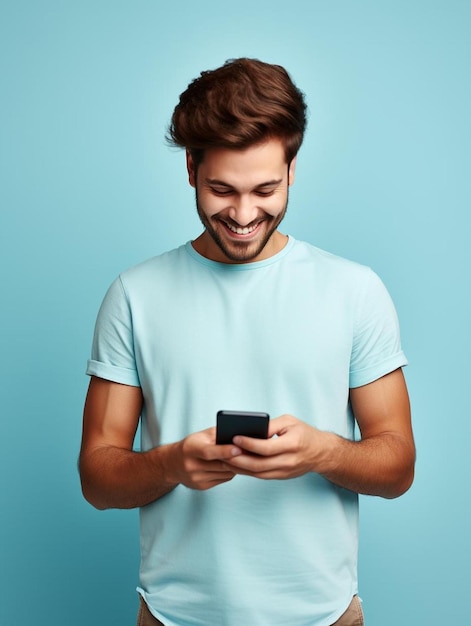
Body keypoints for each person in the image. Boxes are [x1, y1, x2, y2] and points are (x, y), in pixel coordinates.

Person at [79, 58, 415, 626]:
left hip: (324, 617)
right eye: (221, 190)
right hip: (172, 617)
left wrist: (322, 451)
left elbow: (399, 464)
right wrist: (174, 463)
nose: (242, 215)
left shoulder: (355, 290)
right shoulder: (134, 295)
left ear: (292, 168)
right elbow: (96, 476)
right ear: (190, 167)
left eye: (265, 189)